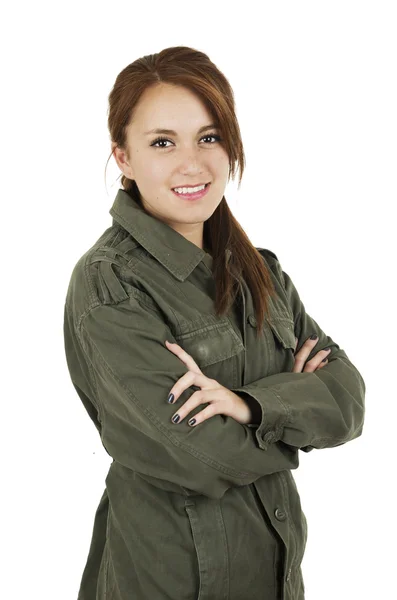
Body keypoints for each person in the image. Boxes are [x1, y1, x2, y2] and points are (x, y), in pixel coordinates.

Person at [63, 46, 366, 600]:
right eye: (162, 142)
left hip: (275, 577)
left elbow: (348, 401)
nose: (193, 164)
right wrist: (293, 417)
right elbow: (196, 455)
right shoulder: (112, 285)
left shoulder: (259, 271)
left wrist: (249, 405)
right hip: (170, 581)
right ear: (123, 157)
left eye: (209, 137)